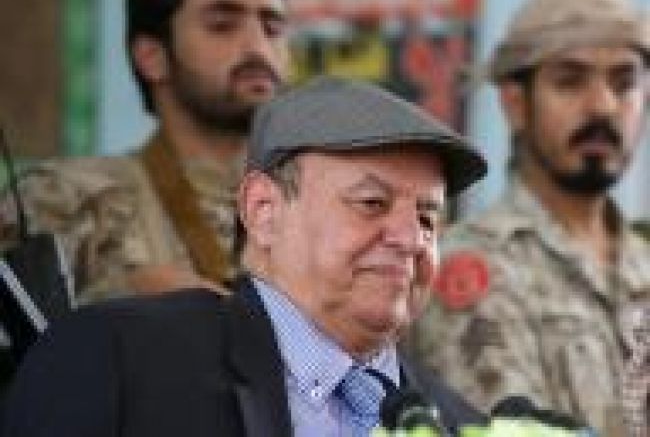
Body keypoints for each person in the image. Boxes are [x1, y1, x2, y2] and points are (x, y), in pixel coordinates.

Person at [2, 77, 487, 437]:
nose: (410, 238)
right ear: (263, 210)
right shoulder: (119, 361)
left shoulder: (463, 425)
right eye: (372, 203)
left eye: (428, 217)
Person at [406, 0, 650, 435]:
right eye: (570, 81)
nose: (603, 106)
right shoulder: (469, 267)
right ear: (515, 103)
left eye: (624, 83)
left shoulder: (642, 263)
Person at [0, 0, 290, 302]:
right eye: (222, 25)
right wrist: (123, 302)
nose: (259, 48)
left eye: (272, 28)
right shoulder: (64, 199)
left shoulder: (312, 202)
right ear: (153, 57)